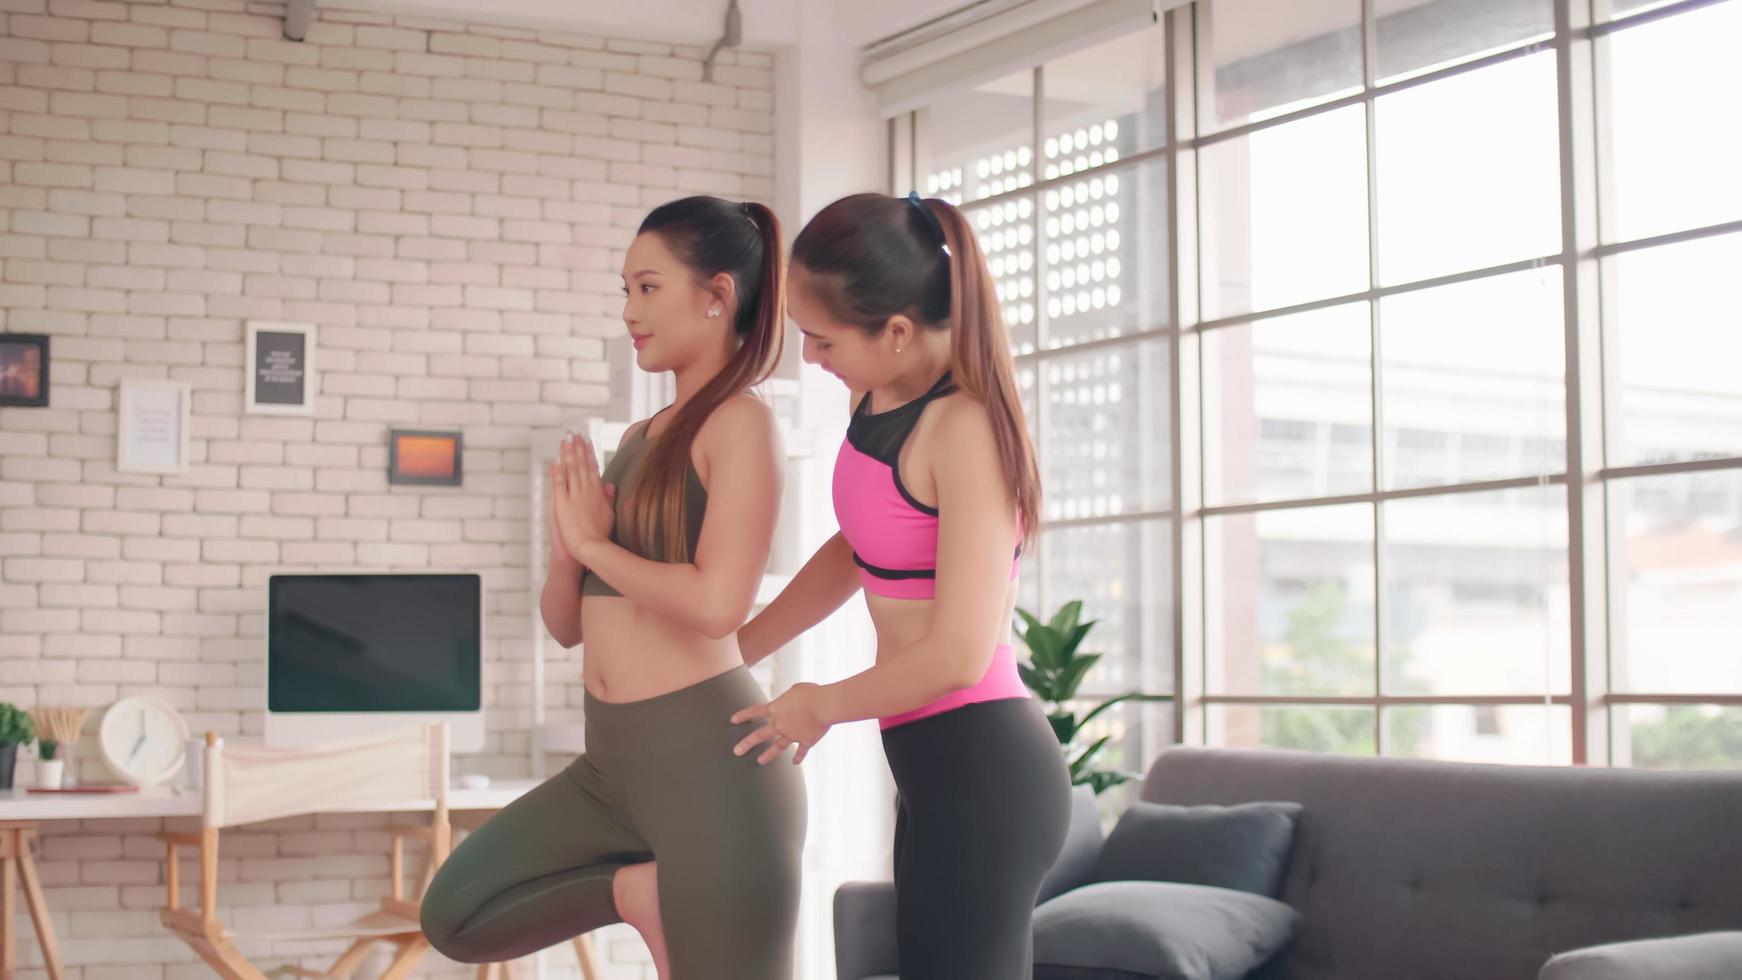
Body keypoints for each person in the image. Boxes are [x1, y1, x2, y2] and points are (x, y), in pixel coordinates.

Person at [421, 196, 806, 980]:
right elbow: (568, 626)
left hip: (710, 763)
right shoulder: (634, 441)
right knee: (456, 912)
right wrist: (569, 554)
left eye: (648, 287)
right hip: (610, 767)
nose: (629, 311)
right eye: (625, 290)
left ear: (717, 294)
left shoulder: (742, 423)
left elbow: (716, 604)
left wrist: (596, 540)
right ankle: (640, 893)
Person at [731, 191, 1072, 978]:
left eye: (821, 339)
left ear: (895, 332)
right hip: (929, 762)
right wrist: (736, 647)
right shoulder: (878, 394)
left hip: (984, 767)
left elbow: (957, 653)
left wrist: (818, 704)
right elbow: (859, 549)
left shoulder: (967, 431)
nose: (810, 357)